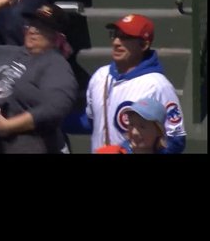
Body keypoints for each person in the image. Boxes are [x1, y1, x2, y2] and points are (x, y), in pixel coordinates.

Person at [0, 0, 78, 153]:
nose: (33, 30)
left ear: (58, 37)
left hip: (32, 145)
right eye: (32, 23)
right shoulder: (10, 53)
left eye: (42, 27)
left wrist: (9, 126)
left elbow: (56, 107)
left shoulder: (56, 65)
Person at [70, 14, 186, 153]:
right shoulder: (101, 76)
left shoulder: (158, 86)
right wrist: (52, 121)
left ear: (143, 44)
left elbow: (176, 140)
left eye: (125, 37)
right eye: (115, 35)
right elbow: (92, 121)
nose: (116, 42)